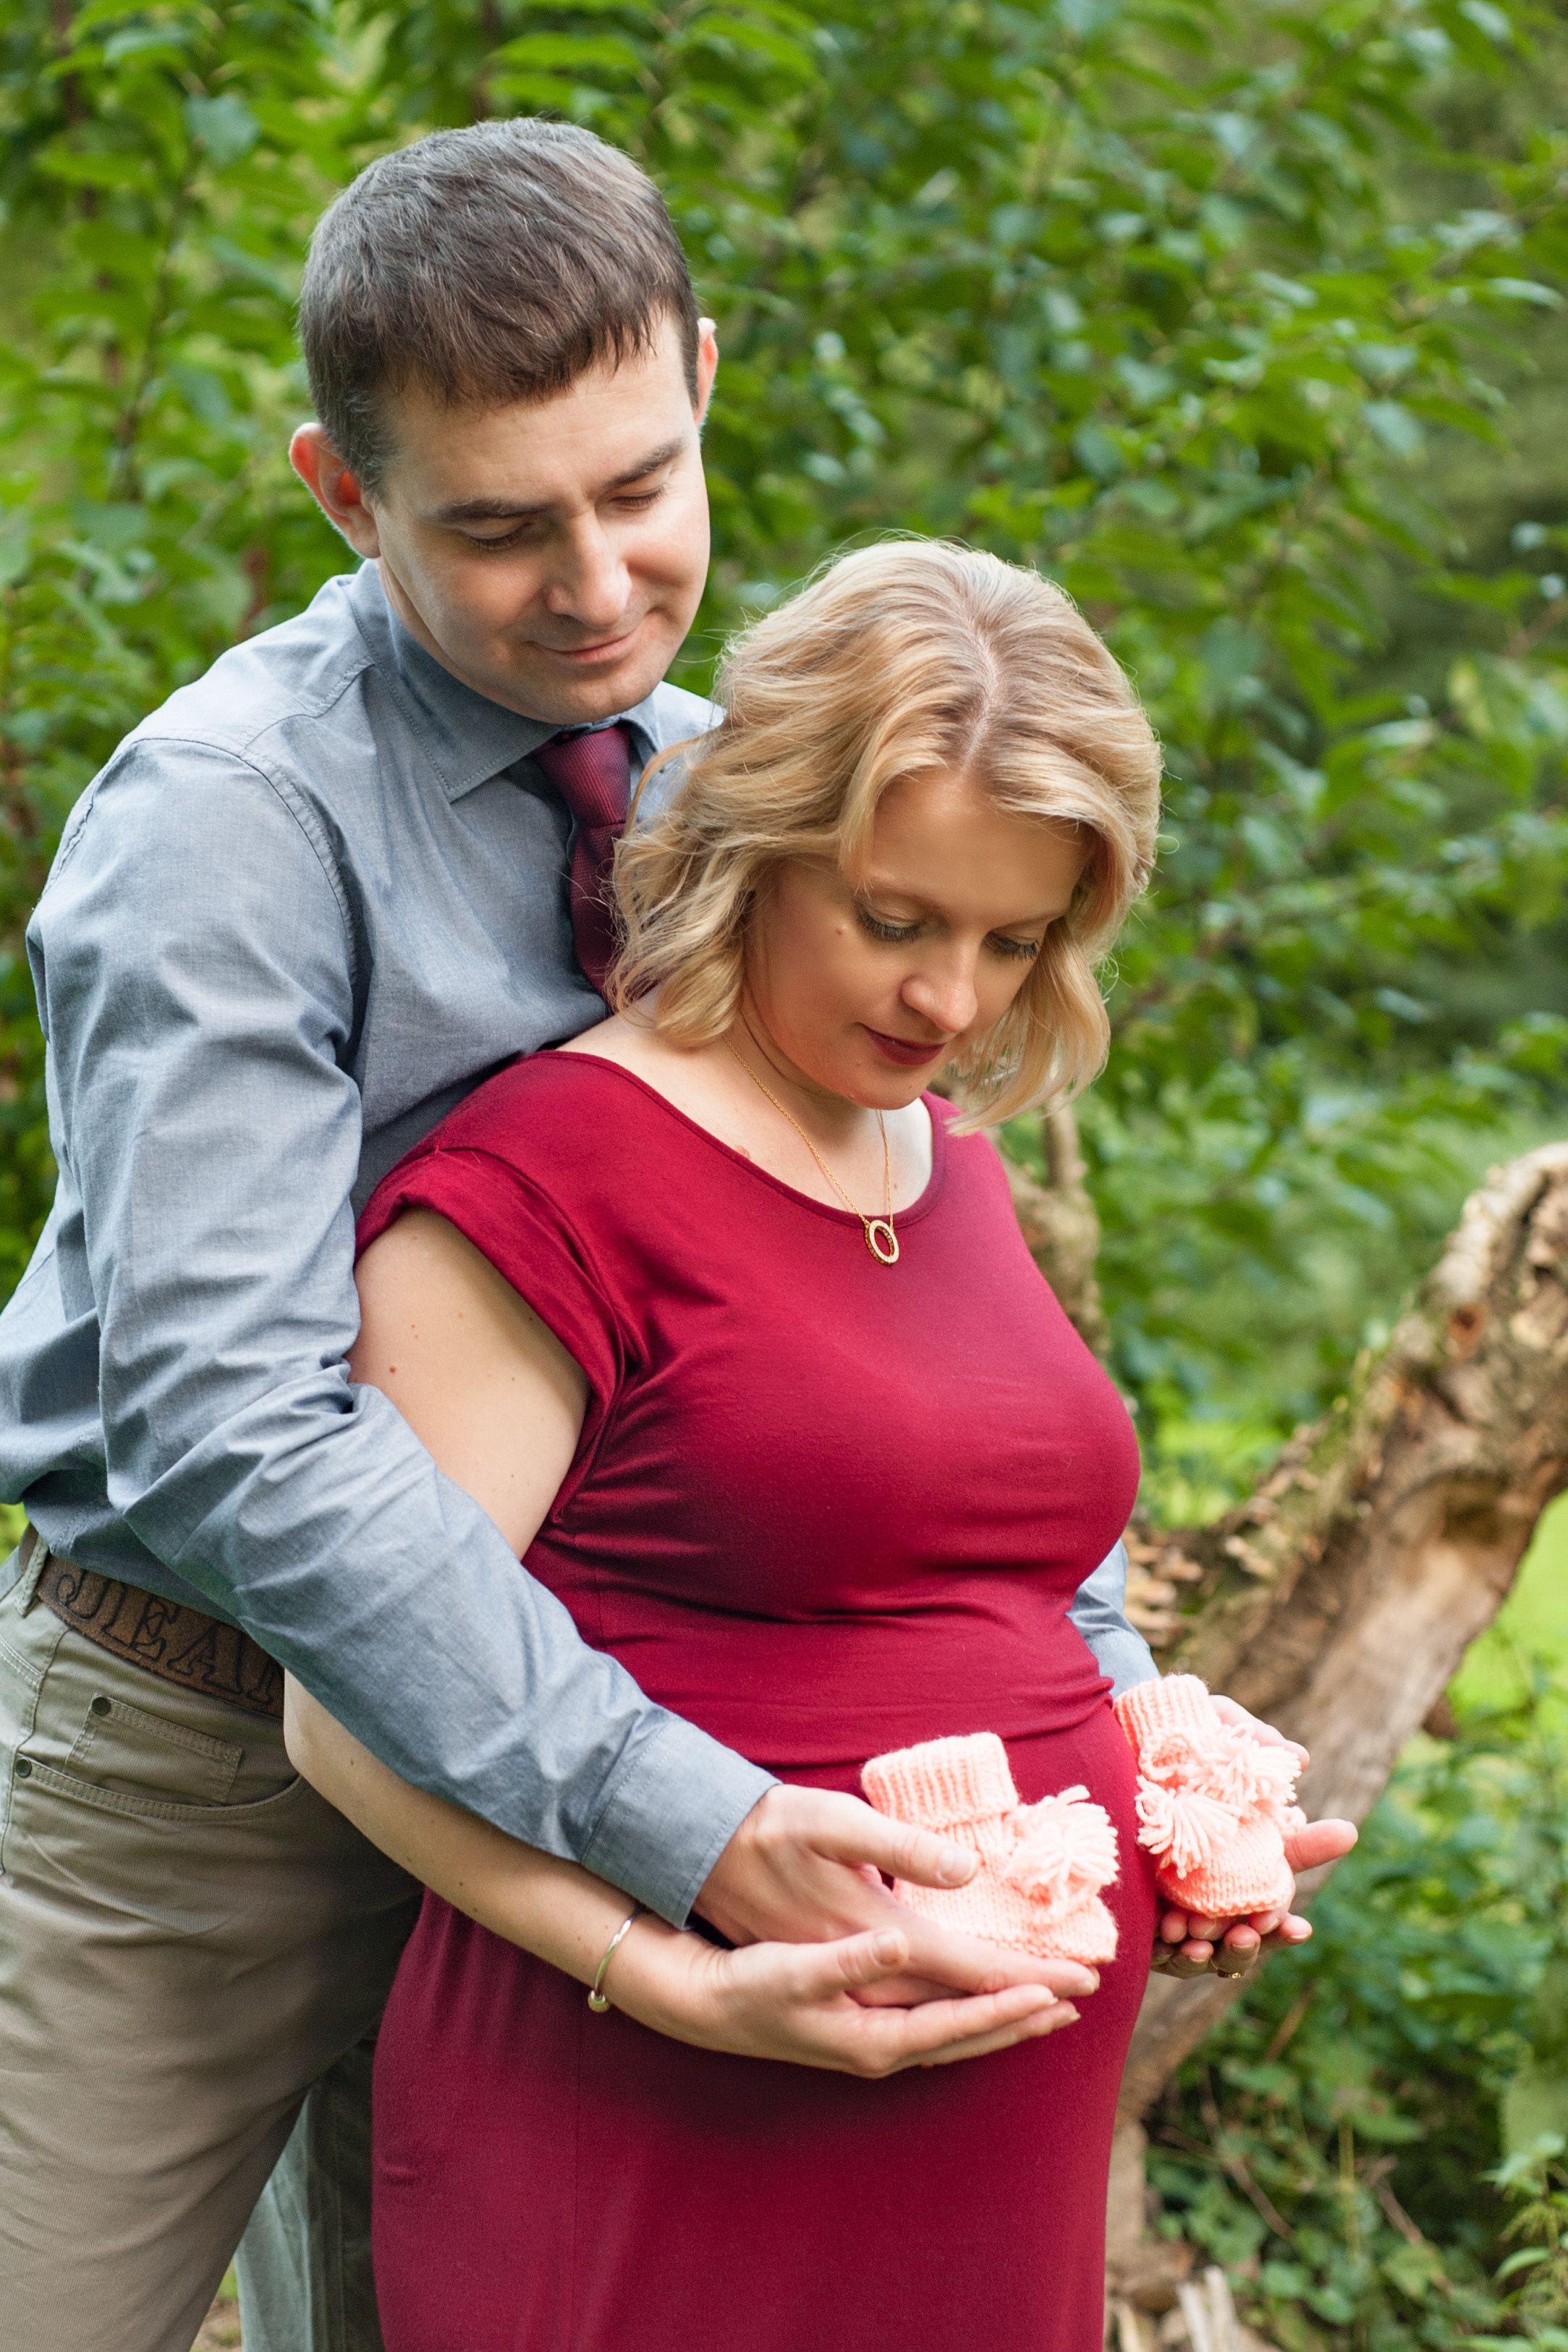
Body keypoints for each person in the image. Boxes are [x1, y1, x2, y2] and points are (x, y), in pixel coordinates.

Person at [0, 120, 1312, 2352]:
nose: (595, 584)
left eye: (641, 488)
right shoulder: (227, 826)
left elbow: (910, 1289)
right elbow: (234, 1430)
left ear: (704, 379)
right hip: (212, 1766)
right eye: (501, 526)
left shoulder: (754, 798)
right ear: (345, 488)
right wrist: (683, 1818)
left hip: (595, 1787)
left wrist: (1107, 1709)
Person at [283, 537, 1344, 2352]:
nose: (951, 1001)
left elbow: (1006, 1584)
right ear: (753, 846)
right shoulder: (544, 1178)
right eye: (895, 915)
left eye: (1015, 941)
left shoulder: (949, 1164)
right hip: (658, 2104)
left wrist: (1160, 1802)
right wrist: (673, 1978)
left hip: (989, 2149)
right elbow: (343, 1711)